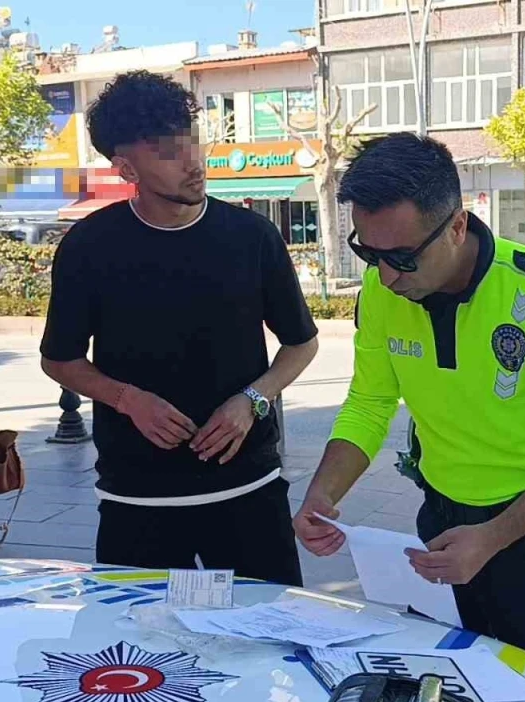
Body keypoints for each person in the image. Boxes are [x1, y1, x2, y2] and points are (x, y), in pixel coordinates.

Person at [292, 133, 525, 673]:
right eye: (369, 253)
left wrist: (492, 538)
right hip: (442, 521)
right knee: (446, 680)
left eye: (402, 258)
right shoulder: (381, 290)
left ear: (457, 226)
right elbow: (370, 403)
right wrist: (322, 494)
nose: (387, 276)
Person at [39, 71, 319, 583]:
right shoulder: (88, 247)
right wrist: (127, 399)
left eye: (193, 140)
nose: (193, 161)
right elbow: (60, 359)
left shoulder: (253, 237)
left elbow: (301, 344)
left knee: (268, 627)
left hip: (248, 490)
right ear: (126, 167)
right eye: (169, 152)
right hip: (136, 499)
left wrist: (252, 401)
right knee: (137, 634)